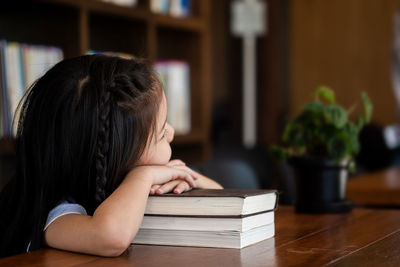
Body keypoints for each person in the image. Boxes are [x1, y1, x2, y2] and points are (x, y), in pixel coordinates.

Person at [0, 54, 222, 258]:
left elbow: (222, 203)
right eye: (162, 132)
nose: (172, 133)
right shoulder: (52, 213)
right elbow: (111, 237)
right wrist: (142, 177)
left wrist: (191, 178)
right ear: (117, 156)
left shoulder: (117, 183)